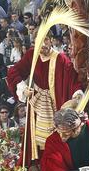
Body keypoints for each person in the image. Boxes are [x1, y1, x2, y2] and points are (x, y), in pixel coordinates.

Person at [6, 32, 82, 160]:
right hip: (36, 101)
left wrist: (76, 96)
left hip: (54, 102)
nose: (43, 44)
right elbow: (14, 71)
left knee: (54, 133)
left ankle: (55, 161)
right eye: (39, 41)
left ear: (51, 40)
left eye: (45, 40)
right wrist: (23, 89)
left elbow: (72, 79)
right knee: (35, 134)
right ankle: (36, 161)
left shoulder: (61, 58)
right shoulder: (32, 54)